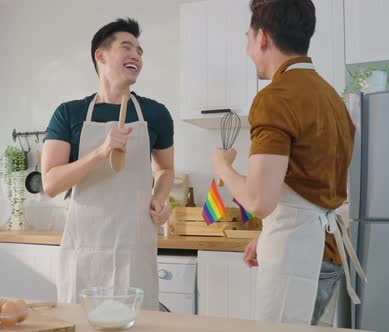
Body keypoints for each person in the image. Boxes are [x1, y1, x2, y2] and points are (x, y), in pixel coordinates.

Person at [210, 0, 365, 325]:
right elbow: (308, 188)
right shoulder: (331, 97)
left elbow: (258, 201)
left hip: (296, 256)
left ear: (262, 37)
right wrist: (264, 237)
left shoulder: (276, 97)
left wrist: (223, 166)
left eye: (247, 38)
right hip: (326, 252)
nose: (248, 49)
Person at [41, 18, 175, 311]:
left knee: (138, 323)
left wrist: (160, 198)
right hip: (85, 248)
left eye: (140, 51)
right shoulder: (69, 114)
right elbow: (50, 183)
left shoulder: (156, 113)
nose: (137, 56)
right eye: (127, 47)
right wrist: (99, 153)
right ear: (100, 56)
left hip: (134, 248)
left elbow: (165, 169)